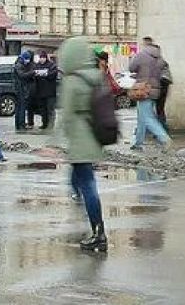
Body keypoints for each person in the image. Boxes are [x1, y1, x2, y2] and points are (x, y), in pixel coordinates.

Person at [58, 36, 108, 252]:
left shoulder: (72, 80)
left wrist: (54, 142)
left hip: (79, 141)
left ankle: (99, 234)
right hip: (94, 136)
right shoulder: (96, 76)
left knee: (88, 187)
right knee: (88, 183)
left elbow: (66, 115)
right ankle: (99, 232)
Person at [128, 36, 172, 151]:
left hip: (143, 90)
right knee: (142, 116)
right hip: (155, 90)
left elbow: (131, 68)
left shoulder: (141, 55)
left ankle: (164, 138)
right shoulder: (160, 58)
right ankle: (138, 142)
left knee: (147, 117)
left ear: (144, 44)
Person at [30, 52, 59, 130]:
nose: (42, 59)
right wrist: (37, 74)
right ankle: (44, 123)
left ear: (46, 58)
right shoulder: (37, 66)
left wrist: (44, 74)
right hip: (40, 92)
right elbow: (33, 74)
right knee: (43, 110)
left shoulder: (52, 65)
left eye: (43, 57)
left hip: (50, 92)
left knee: (50, 109)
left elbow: (53, 74)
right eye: (41, 57)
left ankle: (51, 125)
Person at [13, 51, 35, 130]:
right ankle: (21, 125)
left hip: (20, 88)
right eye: (27, 59)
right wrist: (32, 72)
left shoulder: (19, 64)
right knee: (21, 107)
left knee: (19, 107)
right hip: (20, 88)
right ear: (24, 58)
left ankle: (19, 124)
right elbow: (22, 75)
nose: (28, 61)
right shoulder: (19, 65)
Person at [155, 40, 173, 131]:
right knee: (160, 107)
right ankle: (162, 126)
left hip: (161, 83)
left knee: (158, 107)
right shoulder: (162, 60)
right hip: (164, 83)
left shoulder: (157, 61)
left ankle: (161, 128)